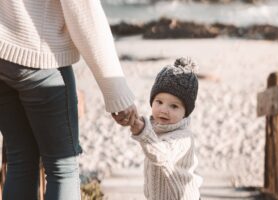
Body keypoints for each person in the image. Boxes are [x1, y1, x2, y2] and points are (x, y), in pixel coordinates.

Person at [0, 0, 137, 199]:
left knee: (20, 159)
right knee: (62, 169)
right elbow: (85, 13)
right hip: (39, 55)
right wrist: (116, 92)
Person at [130, 57, 203, 200]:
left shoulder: (183, 137)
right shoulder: (155, 129)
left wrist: (142, 131)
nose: (164, 110)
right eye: (159, 102)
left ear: (186, 112)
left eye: (174, 106)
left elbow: (160, 154)